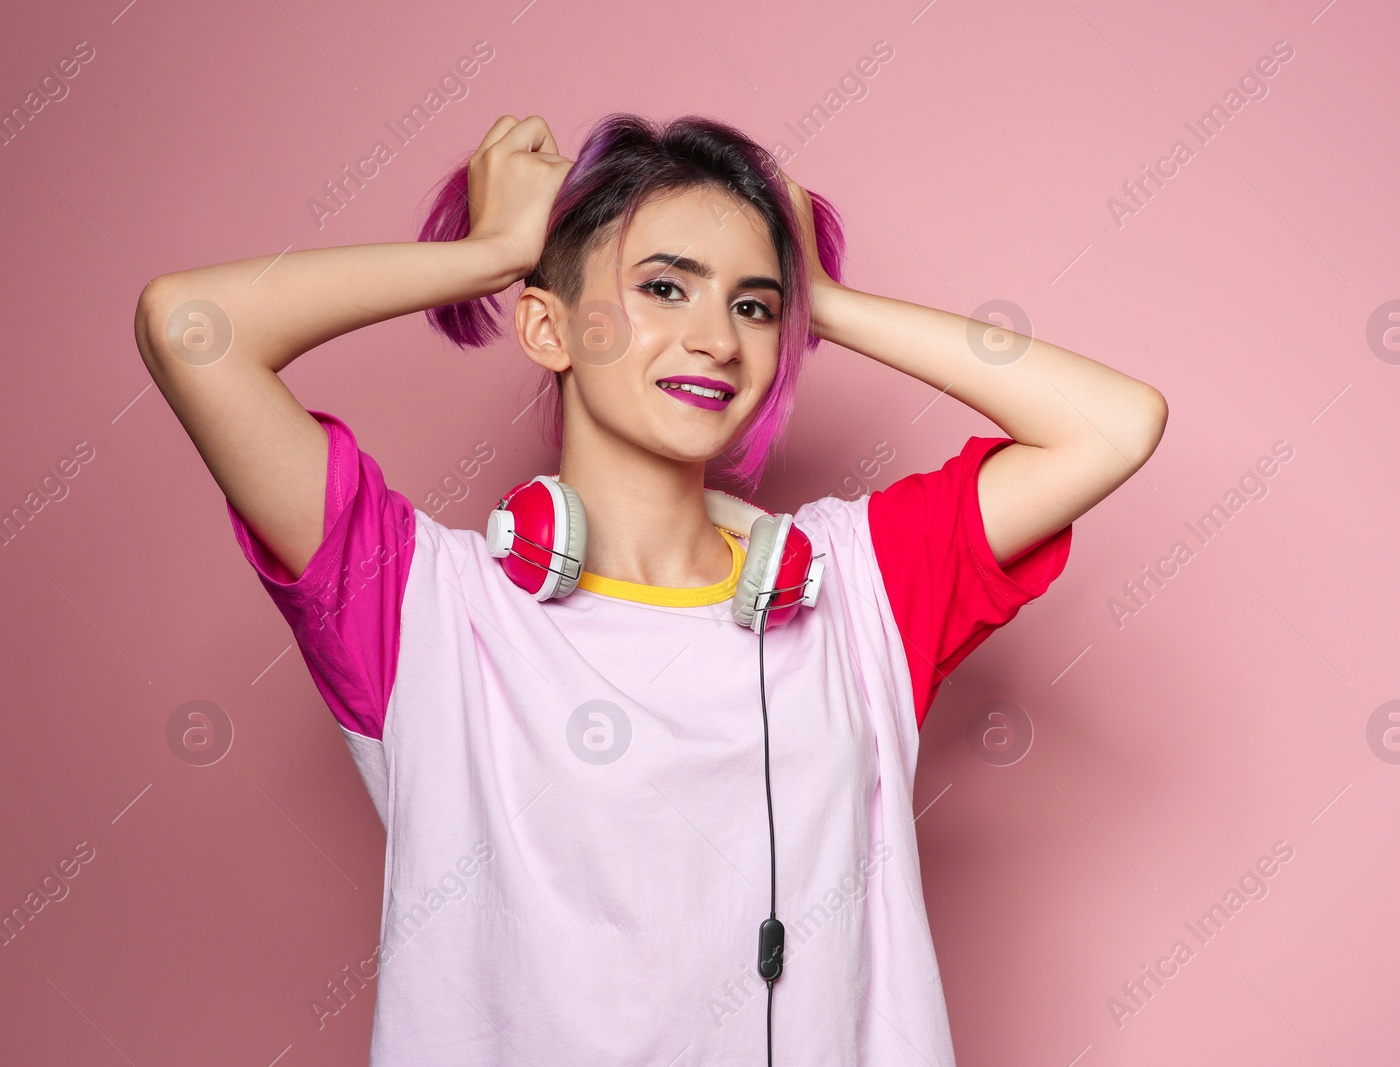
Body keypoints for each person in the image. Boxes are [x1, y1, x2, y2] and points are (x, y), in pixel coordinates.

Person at [134, 112, 1166, 1066]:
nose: (718, 339)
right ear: (548, 329)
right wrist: (489, 255)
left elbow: (1113, 424)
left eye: (755, 305)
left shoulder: (859, 588)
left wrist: (830, 301)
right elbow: (190, 324)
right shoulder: (419, 607)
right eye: (665, 287)